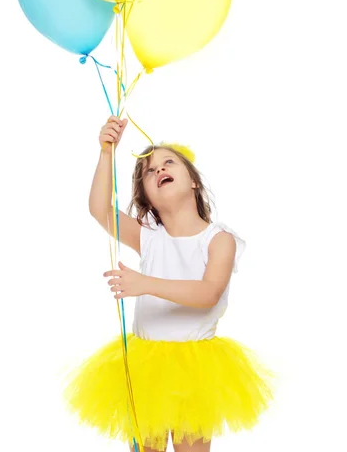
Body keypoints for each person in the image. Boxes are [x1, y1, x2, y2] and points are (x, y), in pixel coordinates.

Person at [61, 116, 278, 451]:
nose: (158, 169)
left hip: (197, 364)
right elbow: (99, 209)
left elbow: (208, 293)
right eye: (149, 170)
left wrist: (145, 283)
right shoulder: (148, 238)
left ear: (193, 181)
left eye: (168, 162)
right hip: (146, 362)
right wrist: (107, 153)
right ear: (146, 197)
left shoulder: (219, 240)